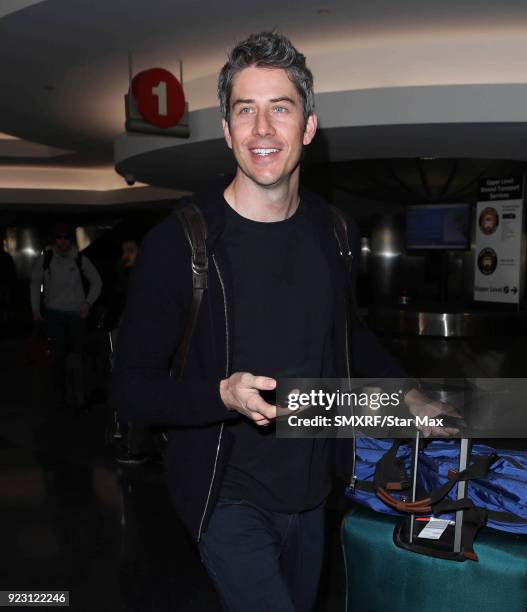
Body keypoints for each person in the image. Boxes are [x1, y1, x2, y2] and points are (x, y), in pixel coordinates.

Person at [111, 32, 458, 611]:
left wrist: (412, 394)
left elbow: (347, 334)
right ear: (227, 131)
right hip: (224, 496)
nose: (263, 129)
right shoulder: (182, 245)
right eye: (245, 110)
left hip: (313, 493)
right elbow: (130, 390)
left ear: (309, 126)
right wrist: (221, 394)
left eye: (281, 107)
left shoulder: (334, 231)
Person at [30, 223, 102, 410]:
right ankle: (61, 396)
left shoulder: (80, 260)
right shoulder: (46, 259)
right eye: (59, 237)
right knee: (58, 357)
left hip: (76, 315)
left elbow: (97, 282)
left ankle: (80, 394)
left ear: (70, 239)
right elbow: (35, 284)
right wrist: (35, 310)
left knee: (78, 356)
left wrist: (88, 303)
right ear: (54, 240)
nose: (62, 241)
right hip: (54, 315)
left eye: (66, 237)